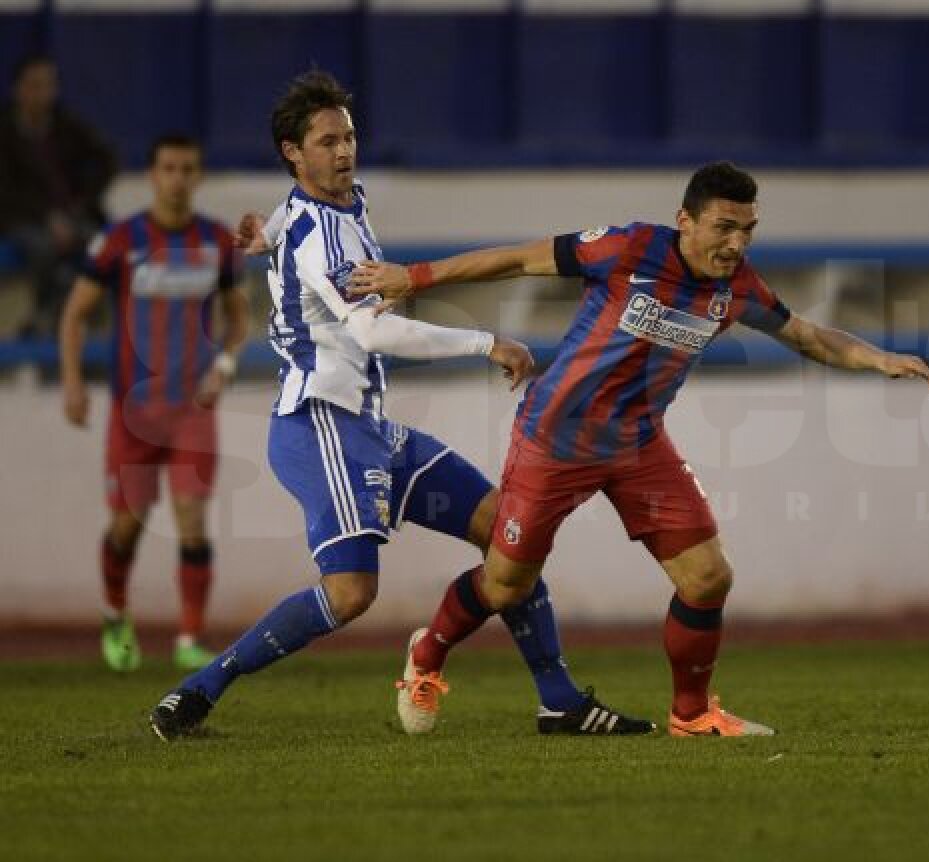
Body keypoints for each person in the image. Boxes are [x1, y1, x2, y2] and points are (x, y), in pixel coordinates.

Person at [348, 161, 929, 737]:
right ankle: (428, 652)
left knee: (707, 577)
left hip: (638, 443)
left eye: (748, 230)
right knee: (506, 585)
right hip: (556, 438)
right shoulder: (627, 248)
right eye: (724, 227)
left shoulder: (737, 287)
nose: (737, 244)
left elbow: (809, 337)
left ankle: (693, 715)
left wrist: (880, 359)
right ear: (685, 221)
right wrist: (415, 277)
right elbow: (518, 259)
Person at [149, 70, 652, 740]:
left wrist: (262, 236)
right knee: (352, 592)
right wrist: (486, 343)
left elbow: (290, 222)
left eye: (349, 137)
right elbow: (373, 332)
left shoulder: (334, 204)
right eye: (327, 141)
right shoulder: (325, 233)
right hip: (320, 423)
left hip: (367, 424)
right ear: (292, 152)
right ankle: (198, 690)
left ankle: (559, 701)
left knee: (506, 532)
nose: (344, 151)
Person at [59, 134, 249, 672]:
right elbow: (74, 314)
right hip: (133, 413)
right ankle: (115, 614)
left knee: (193, 521)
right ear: (152, 175)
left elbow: (239, 318)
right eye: (169, 168)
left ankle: (189, 636)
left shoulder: (217, 241)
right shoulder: (122, 240)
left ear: (199, 175)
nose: (178, 178)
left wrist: (224, 365)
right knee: (128, 527)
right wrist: (73, 382)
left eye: (188, 169)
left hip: (191, 411)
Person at [1, 54, 117, 337]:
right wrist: (48, 217)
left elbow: (107, 159)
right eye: (34, 85)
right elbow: (7, 193)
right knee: (43, 248)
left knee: (102, 246)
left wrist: (81, 203)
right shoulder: (5, 132)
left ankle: (79, 318)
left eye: (48, 85)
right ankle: (51, 319)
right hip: (23, 218)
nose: (43, 93)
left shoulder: (66, 124)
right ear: (18, 89)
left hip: (71, 216)